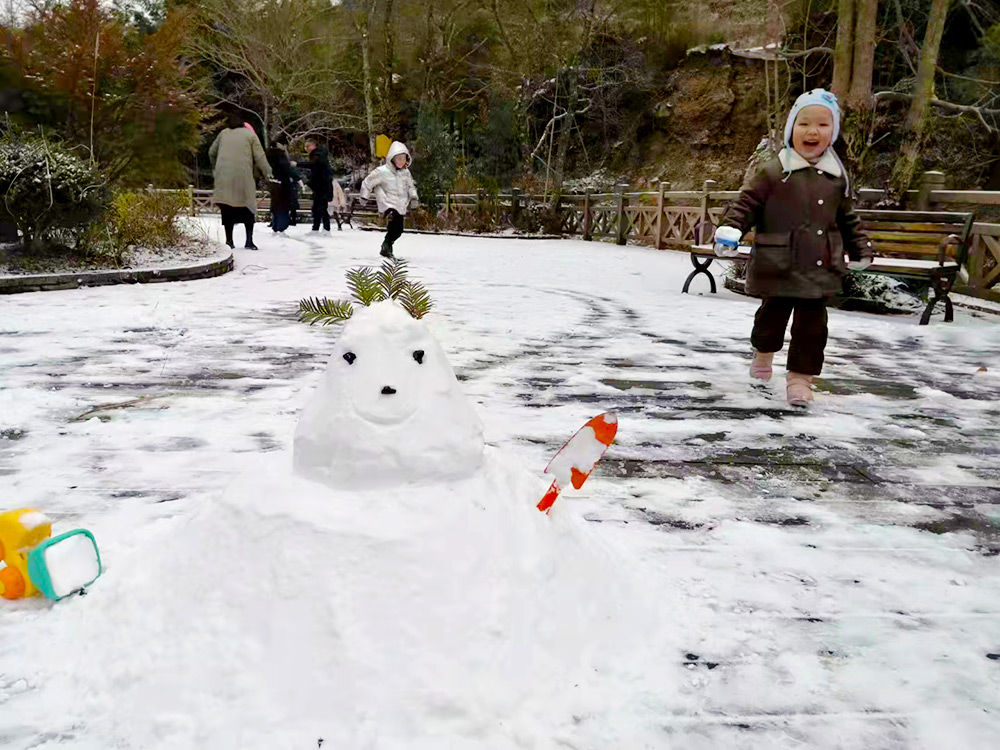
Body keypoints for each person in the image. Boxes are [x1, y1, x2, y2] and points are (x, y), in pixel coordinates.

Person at [715, 89, 873, 407]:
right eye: (803, 124)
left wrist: (859, 246)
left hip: (820, 265)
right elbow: (747, 202)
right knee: (771, 318)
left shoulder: (836, 178)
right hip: (780, 262)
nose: (812, 131)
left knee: (813, 328)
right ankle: (763, 355)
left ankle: (800, 379)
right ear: (791, 130)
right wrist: (733, 226)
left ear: (833, 132)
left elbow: (847, 217)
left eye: (822, 125)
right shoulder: (774, 171)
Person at [209, 113, 271, 250]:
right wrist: (269, 174)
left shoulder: (223, 133)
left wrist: (216, 168)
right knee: (247, 208)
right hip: (243, 178)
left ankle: (229, 241)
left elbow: (211, 152)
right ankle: (249, 241)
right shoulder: (250, 136)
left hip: (223, 179)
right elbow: (260, 157)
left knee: (227, 210)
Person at [360, 141, 419, 258]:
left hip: (401, 204)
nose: (401, 161)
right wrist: (364, 195)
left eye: (403, 159)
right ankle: (387, 245)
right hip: (387, 202)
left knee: (399, 230)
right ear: (392, 158)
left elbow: (410, 186)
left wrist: (413, 197)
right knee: (394, 219)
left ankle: (387, 245)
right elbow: (368, 182)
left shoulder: (406, 173)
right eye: (398, 158)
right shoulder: (382, 171)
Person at [304, 137, 334, 231]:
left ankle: (324, 228)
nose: (306, 148)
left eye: (308, 146)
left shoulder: (318, 155)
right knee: (318, 208)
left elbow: (313, 165)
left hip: (322, 187)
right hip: (321, 186)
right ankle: (317, 228)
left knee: (321, 208)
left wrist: (297, 164)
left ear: (313, 145)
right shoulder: (320, 154)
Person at [266, 141, 296, 233]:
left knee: (276, 205)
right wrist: (297, 177)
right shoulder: (281, 156)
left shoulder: (268, 156)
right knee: (283, 206)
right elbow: (287, 170)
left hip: (273, 183)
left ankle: (275, 225)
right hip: (284, 185)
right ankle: (281, 227)